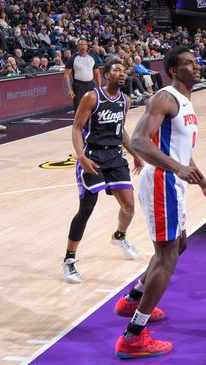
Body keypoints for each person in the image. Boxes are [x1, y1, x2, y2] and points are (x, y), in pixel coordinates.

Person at [114, 45, 206, 359]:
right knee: (167, 254)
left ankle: (132, 299)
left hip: (172, 182)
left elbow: (183, 154)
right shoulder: (164, 98)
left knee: (181, 244)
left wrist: (205, 184)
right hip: (163, 181)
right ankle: (133, 337)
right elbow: (137, 141)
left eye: (196, 61)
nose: (197, 66)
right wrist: (176, 168)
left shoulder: (186, 103)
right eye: (189, 63)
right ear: (174, 71)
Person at [62, 61, 144, 284]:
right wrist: (81, 156)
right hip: (92, 156)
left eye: (124, 71)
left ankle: (119, 236)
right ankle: (69, 260)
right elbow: (77, 127)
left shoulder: (125, 101)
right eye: (117, 70)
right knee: (87, 208)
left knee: (128, 206)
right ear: (106, 75)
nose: (122, 74)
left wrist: (134, 152)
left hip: (115, 157)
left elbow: (121, 129)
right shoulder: (92, 97)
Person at [65, 38, 101, 111]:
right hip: (78, 86)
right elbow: (66, 75)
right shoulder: (72, 58)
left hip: (90, 85)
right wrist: (69, 89)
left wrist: (99, 87)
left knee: (92, 106)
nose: (83, 46)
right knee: (79, 108)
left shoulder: (92, 57)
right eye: (81, 45)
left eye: (84, 44)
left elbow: (97, 73)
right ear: (77, 46)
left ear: (87, 46)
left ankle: (90, 122)